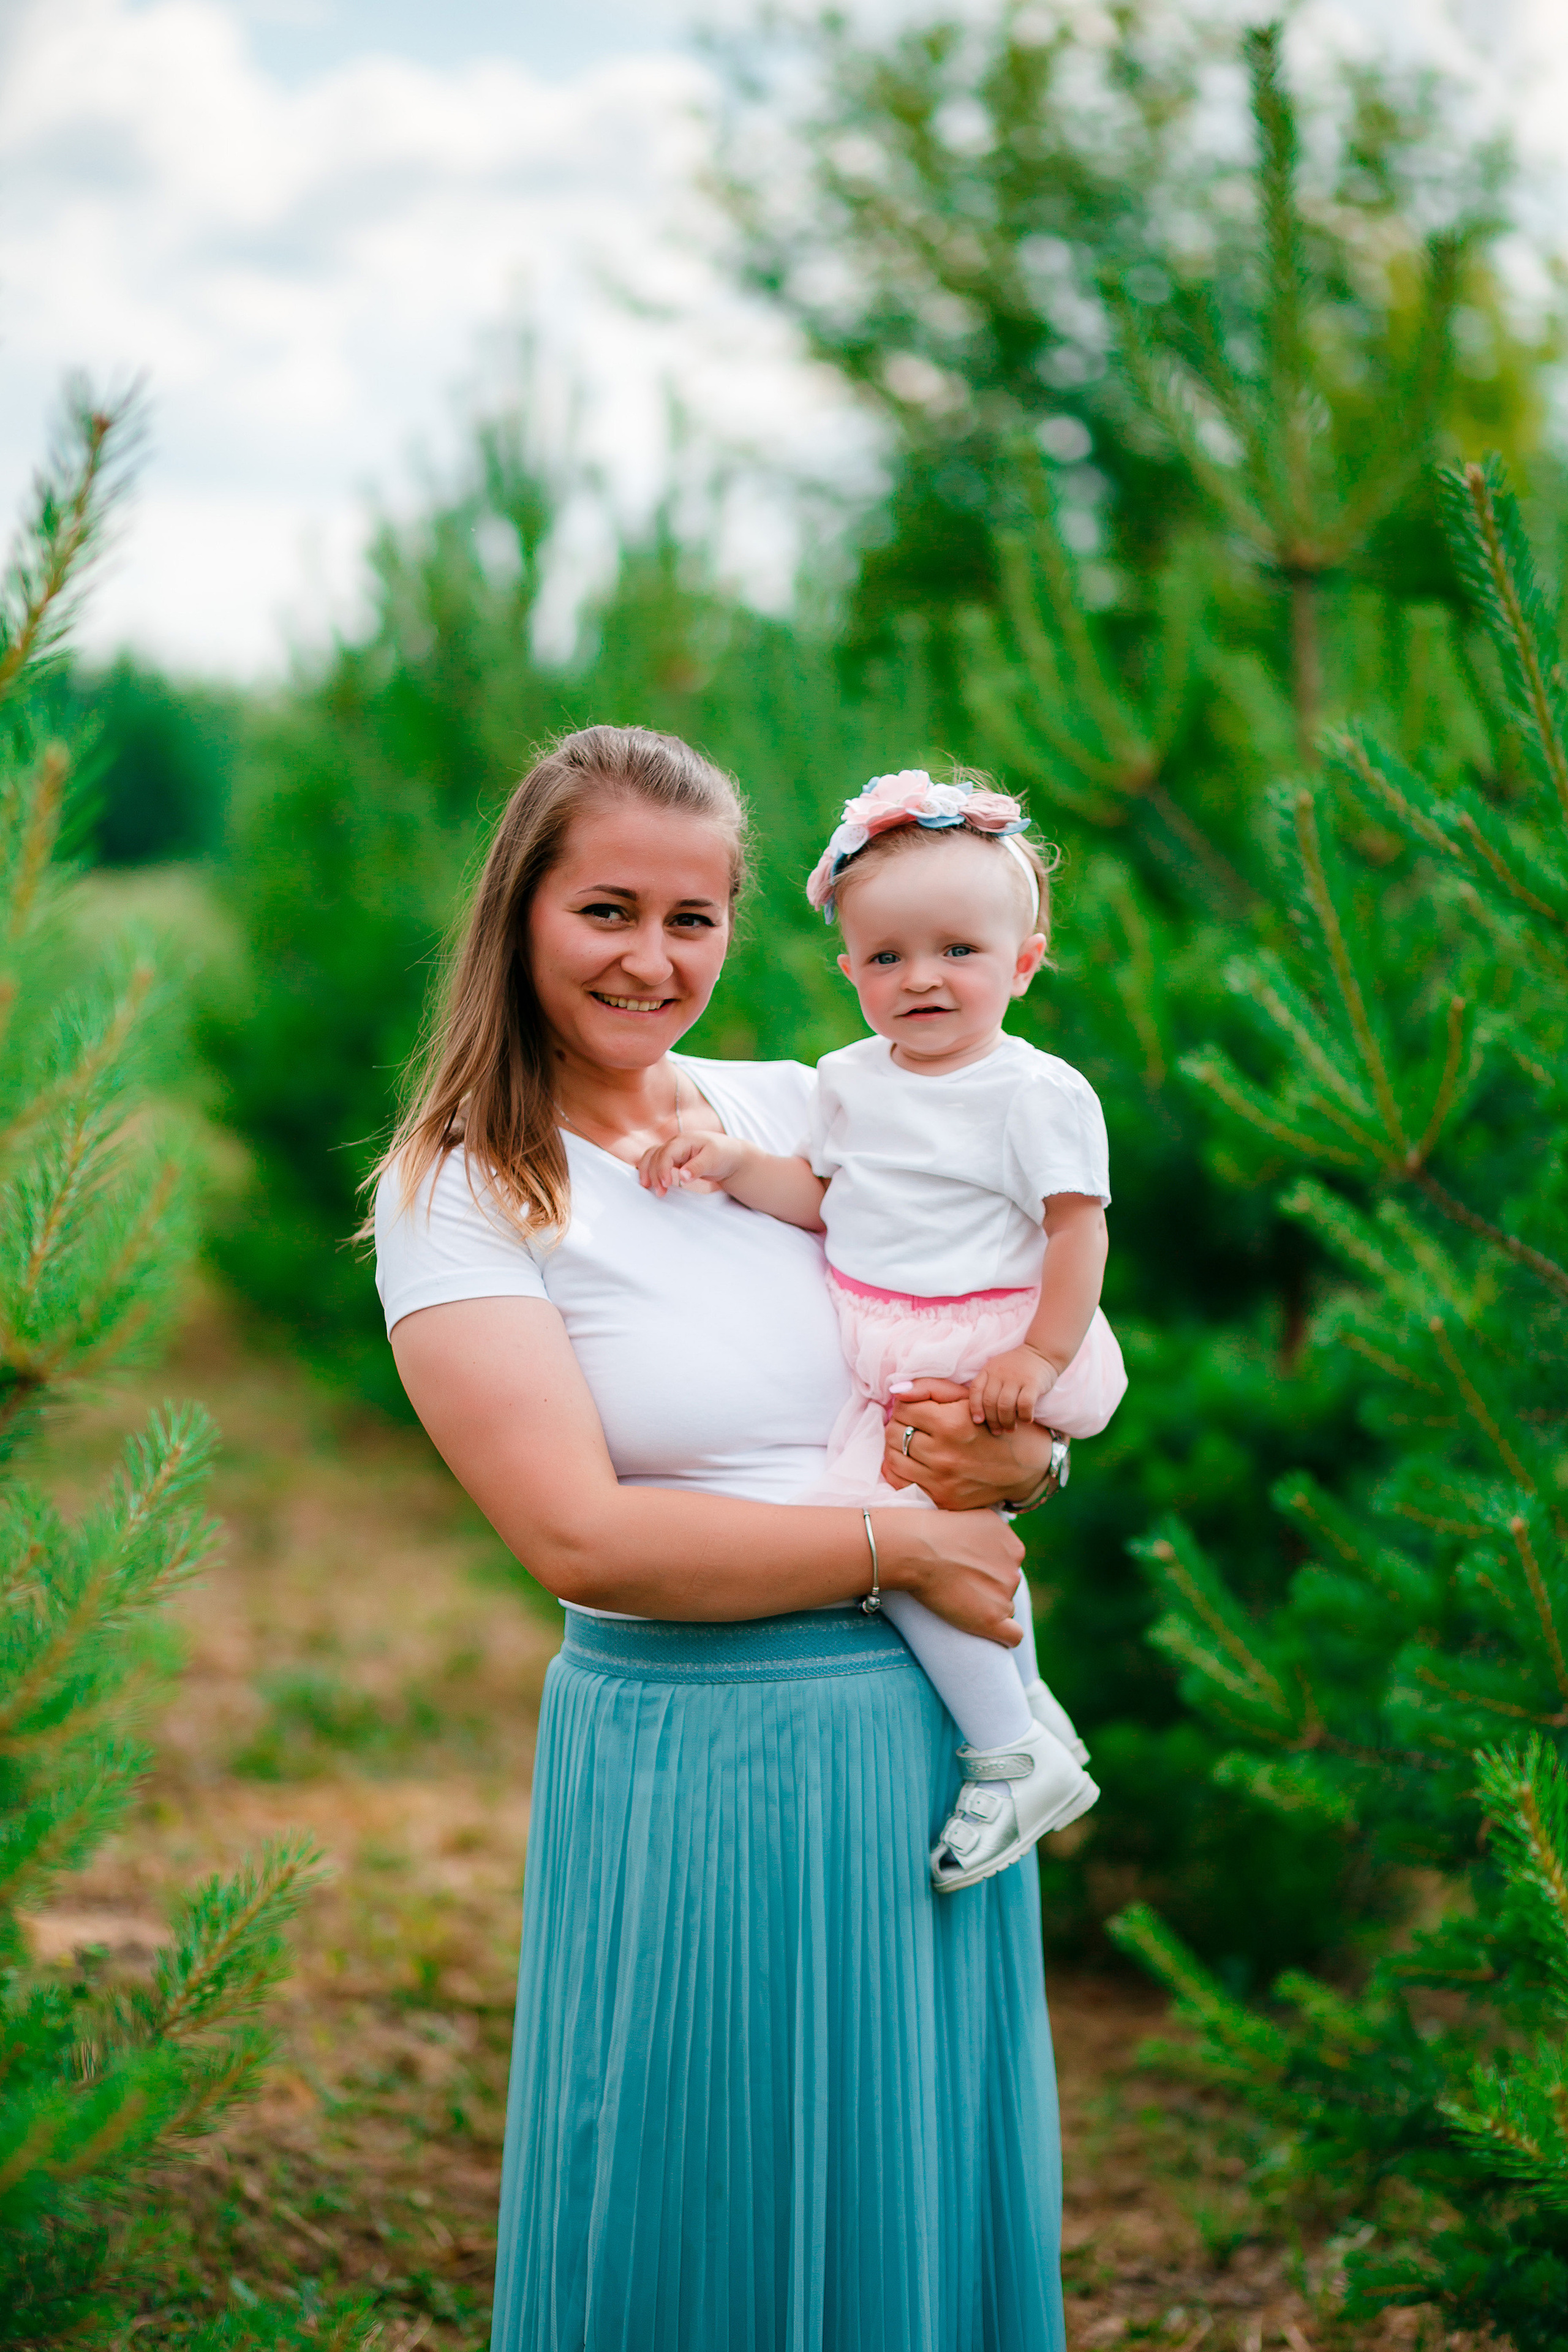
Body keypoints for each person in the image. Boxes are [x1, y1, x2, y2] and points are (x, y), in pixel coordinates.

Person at [372, 724, 1071, 2352]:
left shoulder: (805, 1110)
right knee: (697, 2197)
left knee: (912, 2197)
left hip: (927, 1749)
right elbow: (581, 1538)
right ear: (519, 914)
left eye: (694, 918)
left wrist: (1015, 1461)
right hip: (700, 1765)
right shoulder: (463, 1190)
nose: (651, 958)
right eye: (607, 910)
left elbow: (982, 1350)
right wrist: (907, 1551)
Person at [639, 769, 1126, 1894]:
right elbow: (831, 1201)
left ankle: (1007, 1755)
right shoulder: (850, 1082)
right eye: (889, 957)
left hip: (988, 1342)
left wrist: (1039, 1359)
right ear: (850, 967)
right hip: (891, 1339)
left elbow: (1076, 1234)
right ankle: (1034, 1718)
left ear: (1024, 960)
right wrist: (730, 1165)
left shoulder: (1035, 1092)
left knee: (905, 1532)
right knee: (940, 1531)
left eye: (960, 951)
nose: (924, 980)